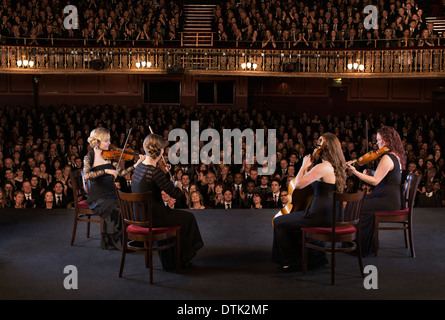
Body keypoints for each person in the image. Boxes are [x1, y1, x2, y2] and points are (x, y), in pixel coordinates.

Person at [272, 133, 346, 272]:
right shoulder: (337, 167)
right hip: (332, 214)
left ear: (325, 148)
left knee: (279, 222)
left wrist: (304, 165)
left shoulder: (322, 167)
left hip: (318, 216)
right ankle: (314, 257)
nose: (316, 146)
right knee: (293, 221)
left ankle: (292, 261)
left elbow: (298, 184)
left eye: (319, 144)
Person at [131, 133, 203, 271]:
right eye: (163, 149)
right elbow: (176, 194)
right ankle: (182, 258)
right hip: (153, 217)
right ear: (160, 151)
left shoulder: (139, 167)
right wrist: (179, 185)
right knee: (188, 218)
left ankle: (172, 260)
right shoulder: (155, 172)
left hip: (139, 215)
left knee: (178, 218)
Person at [346, 126, 406, 256]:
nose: (377, 143)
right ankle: (365, 243)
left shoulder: (387, 158)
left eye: (379, 140)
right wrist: (371, 172)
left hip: (388, 201)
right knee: (359, 202)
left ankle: (361, 247)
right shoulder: (395, 155)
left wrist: (355, 172)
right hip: (391, 198)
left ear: (386, 140)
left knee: (357, 206)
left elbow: (375, 181)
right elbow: (387, 177)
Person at [84, 128, 144, 250]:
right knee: (117, 208)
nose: (109, 144)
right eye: (106, 141)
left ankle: (130, 239)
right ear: (97, 142)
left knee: (127, 205)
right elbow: (87, 175)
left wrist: (136, 165)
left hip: (111, 193)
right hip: (98, 196)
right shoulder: (89, 157)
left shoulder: (109, 156)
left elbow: (121, 173)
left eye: (109, 140)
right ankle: (120, 242)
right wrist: (105, 170)